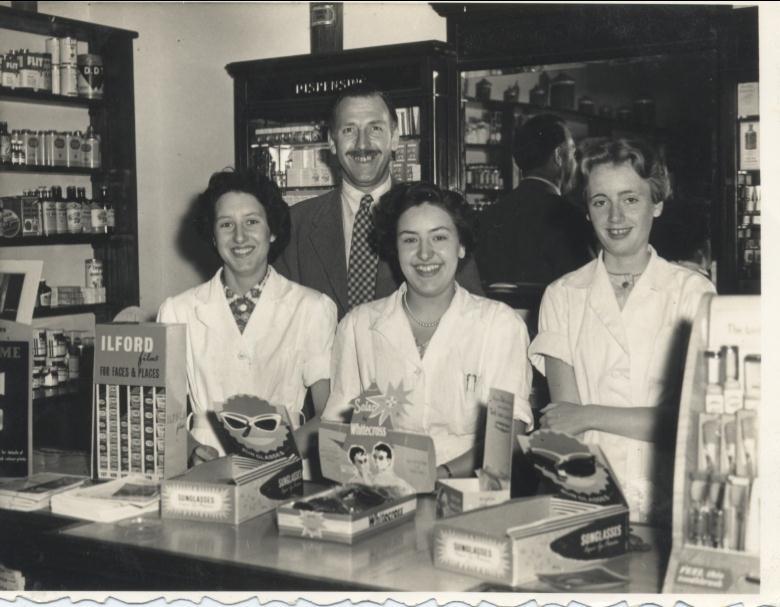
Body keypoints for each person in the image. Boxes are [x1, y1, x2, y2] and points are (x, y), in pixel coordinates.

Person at [528, 138, 716, 524]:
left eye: (630, 199)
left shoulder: (693, 293)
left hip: (672, 503)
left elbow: (689, 420)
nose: (615, 217)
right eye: (600, 201)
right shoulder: (562, 296)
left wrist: (590, 414)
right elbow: (566, 423)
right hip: (589, 498)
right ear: (587, 210)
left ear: (657, 203)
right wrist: (582, 420)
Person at [323, 182, 533, 478]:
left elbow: (508, 436)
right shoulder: (358, 327)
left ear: (461, 246)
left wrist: (441, 474)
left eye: (439, 238)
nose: (425, 254)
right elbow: (339, 427)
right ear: (394, 250)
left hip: (470, 495)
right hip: (382, 494)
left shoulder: (499, 325)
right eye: (410, 240)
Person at [157, 170, 337, 465]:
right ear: (213, 236)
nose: (239, 236)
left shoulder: (313, 308)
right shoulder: (177, 310)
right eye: (226, 224)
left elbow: (329, 413)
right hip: (207, 468)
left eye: (252, 222)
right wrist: (192, 450)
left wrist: (281, 453)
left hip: (286, 467)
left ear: (273, 230)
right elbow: (164, 412)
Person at [275, 82, 483, 320]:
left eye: (375, 129)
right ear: (332, 142)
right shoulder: (297, 224)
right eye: (349, 130)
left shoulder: (439, 219)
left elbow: (473, 314)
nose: (362, 144)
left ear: (394, 138)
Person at [476, 113, 594, 287]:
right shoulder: (569, 217)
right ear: (558, 156)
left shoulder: (489, 215)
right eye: (573, 154)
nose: (576, 165)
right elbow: (587, 284)